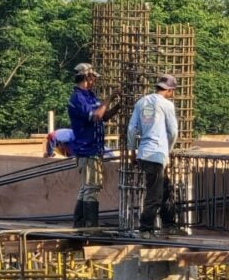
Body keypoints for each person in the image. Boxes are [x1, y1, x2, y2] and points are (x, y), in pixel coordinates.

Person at [67, 63, 121, 229]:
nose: (95, 80)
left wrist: (118, 107)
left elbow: (104, 116)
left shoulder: (90, 95)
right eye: (93, 77)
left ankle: (81, 224)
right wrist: (110, 98)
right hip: (87, 150)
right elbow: (97, 116)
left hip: (94, 149)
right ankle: (90, 227)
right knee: (92, 187)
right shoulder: (77, 98)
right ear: (85, 77)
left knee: (86, 188)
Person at [127, 74, 180, 238]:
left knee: (164, 189)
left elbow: (131, 130)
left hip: (144, 153)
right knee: (155, 195)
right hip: (157, 153)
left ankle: (169, 223)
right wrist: (168, 151)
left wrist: (132, 150)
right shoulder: (166, 105)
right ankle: (145, 228)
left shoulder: (141, 102)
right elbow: (173, 132)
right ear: (170, 90)